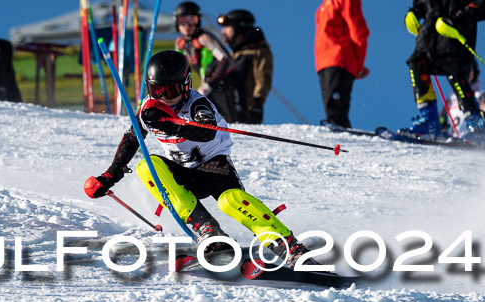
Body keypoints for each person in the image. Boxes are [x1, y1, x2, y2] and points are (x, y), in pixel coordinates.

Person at [84, 50, 318, 269]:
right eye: (158, 91)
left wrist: (171, 125)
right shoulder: (148, 109)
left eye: (172, 90)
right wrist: (109, 176)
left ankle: (290, 249)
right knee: (147, 166)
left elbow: (206, 131)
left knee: (231, 200)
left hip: (214, 166)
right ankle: (209, 232)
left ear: (186, 86)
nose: (165, 98)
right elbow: (131, 141)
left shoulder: (197, 103)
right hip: (183, 172)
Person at [400, 0, 485, 142]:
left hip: (455, 31)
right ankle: (430, 120)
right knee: (417, 62)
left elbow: (478, 4)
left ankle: (476, 124)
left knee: (455, 70)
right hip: (429, 34)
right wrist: (414, 13)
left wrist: (458, 20)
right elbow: (422, 4)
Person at [173, 1, 245, 123]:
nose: (187, 25)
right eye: (182, 21)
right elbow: (178, 68)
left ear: (198, 21)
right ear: (177, 23)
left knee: (231, 118)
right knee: (204, 115)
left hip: (224, 81)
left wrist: (212, 80)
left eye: (191, 20)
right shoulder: (180, 43)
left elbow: (224, 59)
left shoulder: (204, 38)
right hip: (208, 84)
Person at [314, 0, 370, 129]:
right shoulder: (322, 7)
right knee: (331, 106)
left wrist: (359, 65)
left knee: (336, 107)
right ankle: (340, 130)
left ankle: (342, 134)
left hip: (340, 58)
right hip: (323, 63)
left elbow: (358, 30)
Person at [217, 9, 273, 124]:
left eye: (227, 27)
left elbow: (263, 78)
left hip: (244, 109)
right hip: (227, 109)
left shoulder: (258, 51)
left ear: (238, 28)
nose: (223, 32)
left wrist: (257, 102)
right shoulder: (232, 55)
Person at [441, 60, 485, 137]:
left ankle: (474, 133)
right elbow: (442, 117)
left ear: (474, 72)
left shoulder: (480, 94)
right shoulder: (451, 96)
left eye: (468, 69)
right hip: (451, 137)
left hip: (470, 136)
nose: (465, 73)